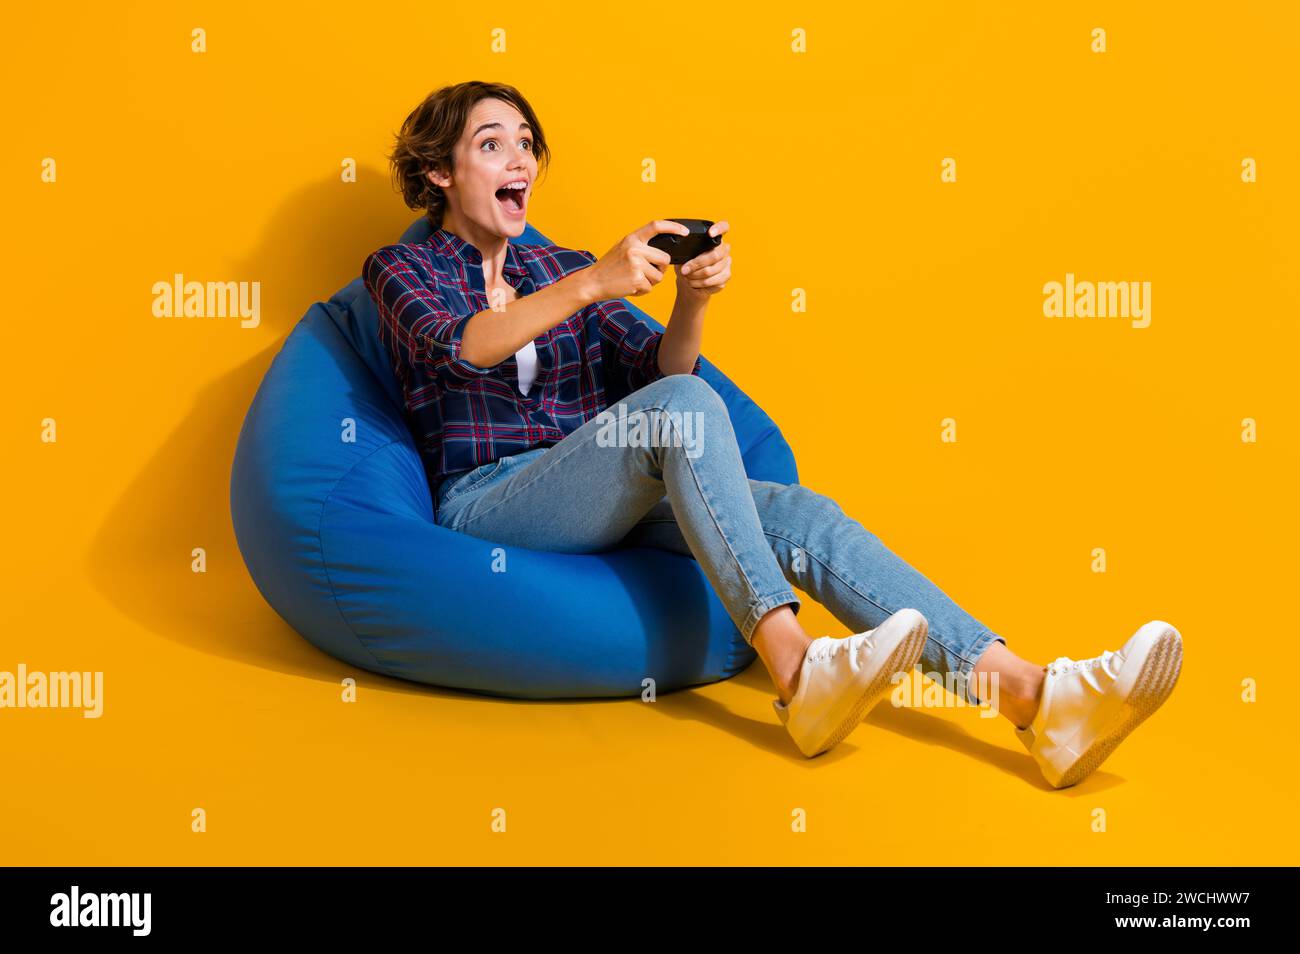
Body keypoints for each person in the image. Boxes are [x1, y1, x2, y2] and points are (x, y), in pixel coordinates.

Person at [362, 80, 1183, 787]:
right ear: (440, 170)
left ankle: (1040, 702)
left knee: (798, 515)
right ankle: (796, 669)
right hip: (489, 505)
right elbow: (458, 346)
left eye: (528, 145)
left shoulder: (555, 265)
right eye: (492, 143)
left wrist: (693, 298)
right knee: (679, 410)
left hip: (588, 489)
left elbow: (659, 377)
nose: (520, 161)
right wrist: (595, 282)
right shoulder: (403, 270)